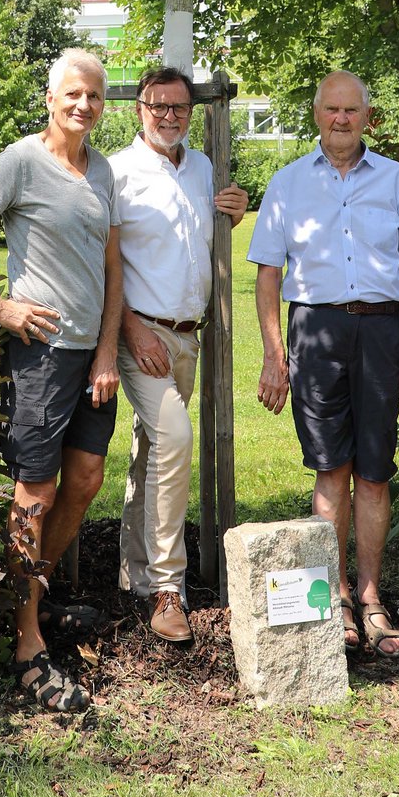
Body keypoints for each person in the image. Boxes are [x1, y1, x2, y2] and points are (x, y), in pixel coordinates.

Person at [0, 48, 123, 713]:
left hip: (91, 357)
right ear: (49, 98)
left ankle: (28, 600)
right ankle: (25, 641)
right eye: (71, 94)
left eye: (93, 96)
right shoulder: (19, 162)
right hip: (40, 355)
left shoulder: (101, 173)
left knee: (86, 481)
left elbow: (112, 270)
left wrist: (106, 354)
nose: (82, 105)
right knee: (33, 491)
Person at [249, 71, 399, 659]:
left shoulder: (396, 180)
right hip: (315, 330)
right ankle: (337, 598)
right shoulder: (288, 183)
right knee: (330, 468)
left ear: (368, 118)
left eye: (352, 110)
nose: (341, 119)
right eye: (332, 110)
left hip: (381, 328)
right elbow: (268, 275)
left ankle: (372, 596)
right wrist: (276, 353)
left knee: (374, 471)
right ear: (317, 114)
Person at [110, 66, 249, 644]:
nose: (169, 116)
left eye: (180, 107)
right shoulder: (116, 173)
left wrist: (234, 211)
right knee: (175, 438)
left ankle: (133, 570)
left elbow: (203, 236)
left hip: (189, 336)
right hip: (139, 334)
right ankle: (169, 588)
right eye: (158, 105)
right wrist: (132, 329)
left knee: (153, 452)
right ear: (139, 108)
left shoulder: (203, 166)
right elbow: (104, 264)